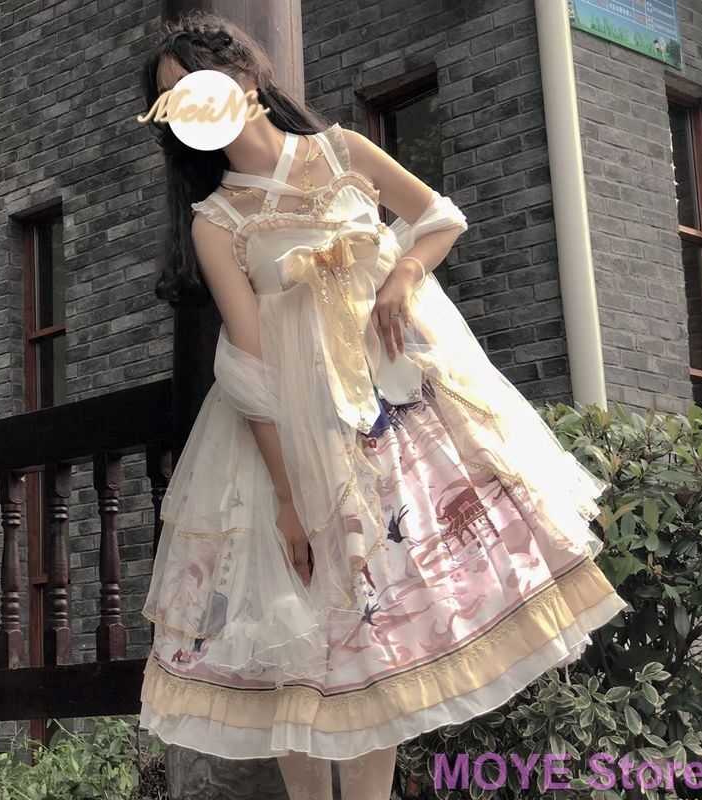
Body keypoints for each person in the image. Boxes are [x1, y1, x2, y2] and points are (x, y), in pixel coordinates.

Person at [137, 10, 630, 800]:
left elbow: (437, 217)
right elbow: (250, 366)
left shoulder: (342, 151)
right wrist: (290, 499)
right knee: (302, 643)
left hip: (390, 419)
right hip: (284, 444)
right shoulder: (215, 220)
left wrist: (402, 275)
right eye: (172, 101)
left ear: (247, 78)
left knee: (380, 636)